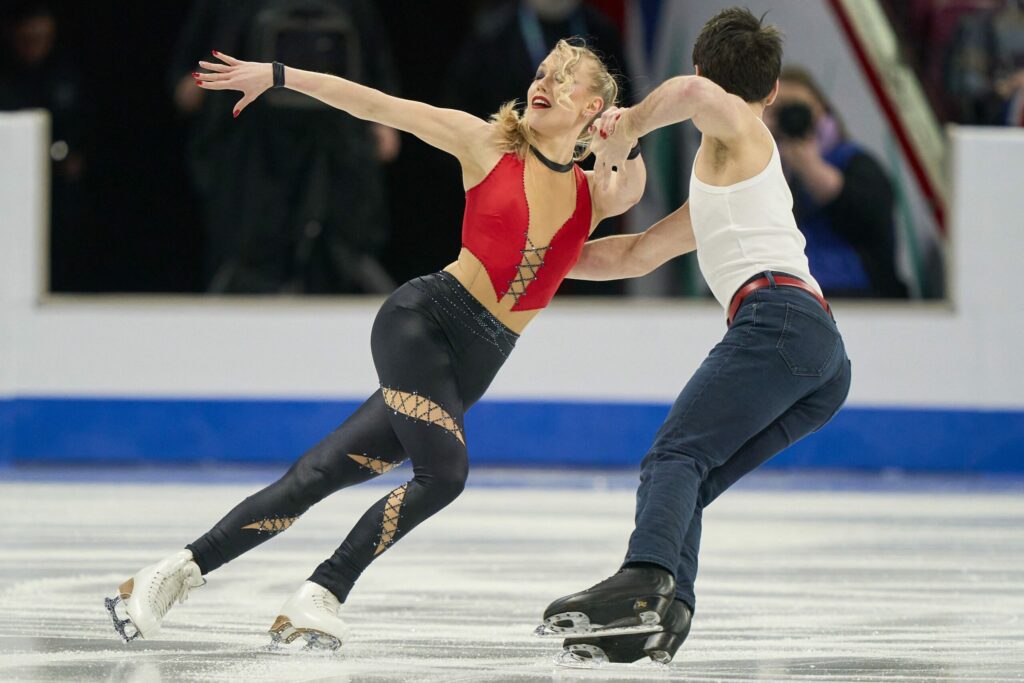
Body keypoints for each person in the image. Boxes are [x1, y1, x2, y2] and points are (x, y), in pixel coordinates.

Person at [105, 38, 645, 650]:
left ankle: (167, 575)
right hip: (423, 323)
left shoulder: (591, 194)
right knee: (444, 474)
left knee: (318, 473)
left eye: (564, 79)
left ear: (594, 105)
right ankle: (322, 593)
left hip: (469, 368)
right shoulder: (486, 143)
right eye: (542, 72)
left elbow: (629, 208)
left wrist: (623, 142)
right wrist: (280, 74)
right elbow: (376, 104)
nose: (542, 83)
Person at [538, 9, 852, 666]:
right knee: (692, 474)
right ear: (773, 91)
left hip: (779, 323)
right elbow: (639, 253)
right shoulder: (727, 170)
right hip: (817, 352)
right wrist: (541, 255)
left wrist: (621, 131)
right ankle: (667, 608)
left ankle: (644, 575)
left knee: (671, 458)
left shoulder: (737, 126)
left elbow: (690, 95)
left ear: (712, 73)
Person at [168, 0, 402, 294]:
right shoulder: (230, 7)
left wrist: (385, 121)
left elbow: (372, 56)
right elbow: (188, 80)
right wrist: (198, 84)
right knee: (250, 245)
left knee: (342, 245)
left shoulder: (351, 5)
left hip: (335, 138)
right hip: (254, 142)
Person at [766, 66, 908, 299]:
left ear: (822, 111)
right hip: (788, 292)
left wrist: (811, 168)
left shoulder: (857, 164)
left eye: (798, 109)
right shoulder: (763, 173)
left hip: (859, 294)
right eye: (778, 110)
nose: (789, 118)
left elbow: (869, 218)